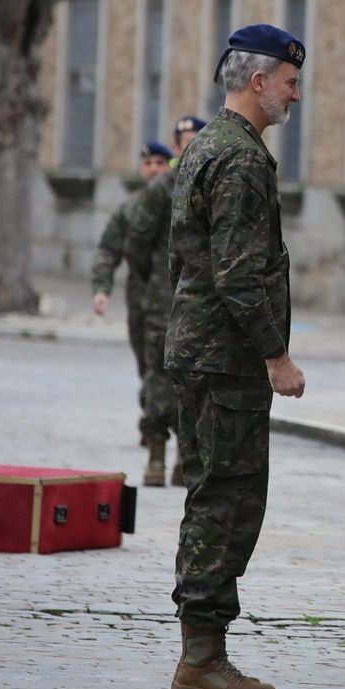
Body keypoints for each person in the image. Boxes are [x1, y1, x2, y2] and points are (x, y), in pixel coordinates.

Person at [165, 24, 306, 689]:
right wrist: (276, 354)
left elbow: (183, 259)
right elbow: (238, 272)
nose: (295, 94)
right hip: (225, 361)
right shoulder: (241, 159)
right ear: (258, 81)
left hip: (198, 351)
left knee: (209, 493)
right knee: (228, 500)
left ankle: (201, 649)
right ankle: (203, 658)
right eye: (289, 81)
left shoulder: (203, 149)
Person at [123, 116, 207, 488]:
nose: (189, 148)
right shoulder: (161, 191)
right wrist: (150, 283)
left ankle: (184, 461)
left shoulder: (209, 187)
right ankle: (156, 454)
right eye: (184, 142)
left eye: (196, 141)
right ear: (175, 148)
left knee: (193, 381)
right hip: (162, 300)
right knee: (159, 378)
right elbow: (137, 242)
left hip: (199, 302)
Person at [90, 142, 171, 443]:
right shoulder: (131, 208)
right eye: (148, 163)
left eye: (160, 163)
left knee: (165, 367)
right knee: (147, 365)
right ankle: (153, 414)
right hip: (140, 300)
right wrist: (102, 288)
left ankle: (158, 430)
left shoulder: (182, 203)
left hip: (170, 299)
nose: (153, 169)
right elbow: (109, 249)